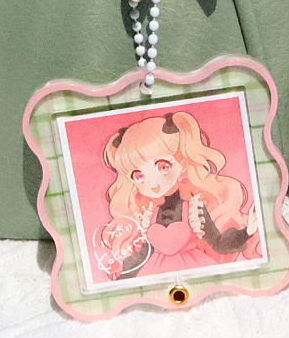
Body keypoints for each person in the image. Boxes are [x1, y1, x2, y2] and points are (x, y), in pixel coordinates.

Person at [100, 111, 259, 280]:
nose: (153, 183)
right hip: (155, 272)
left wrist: (247, 232)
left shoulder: (194, 207)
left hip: (195, 267)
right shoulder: (148, 212)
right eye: (138, 176)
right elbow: (143, 254)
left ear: (181, 163)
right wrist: (122, 278)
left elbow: (218, 243)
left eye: (162, 167)